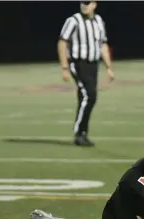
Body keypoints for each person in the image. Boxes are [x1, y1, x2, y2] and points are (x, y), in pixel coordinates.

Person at [57, 1, 114, 147]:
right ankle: (79, 132)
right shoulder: (73, 20)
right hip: (78, 63)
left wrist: (108, 67)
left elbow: (102, 44)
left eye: (88, 3)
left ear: (95, 4)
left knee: (85, 97)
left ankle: (83, 133)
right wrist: (64, 67)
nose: (84, 5)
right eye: (83, 2)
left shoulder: (99, 21)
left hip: (93, 64)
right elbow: (62, 42)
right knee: (90, 96)